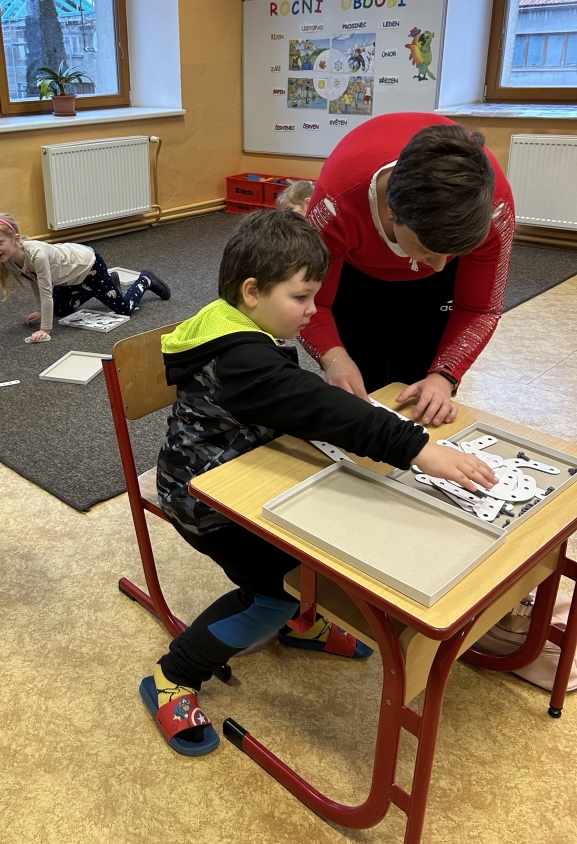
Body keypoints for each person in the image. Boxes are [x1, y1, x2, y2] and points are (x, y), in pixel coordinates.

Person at [142, 210, 497, 756]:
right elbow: (320, 405)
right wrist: (420, 449)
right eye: (302, 297)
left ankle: (300, 620)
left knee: (325, 545)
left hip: (247, 475)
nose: (313, 311)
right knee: (272, 595)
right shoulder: (241, 359)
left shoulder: (241, 323)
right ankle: (174, 673)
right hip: (205, 504)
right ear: (252, 292)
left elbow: (299, 402)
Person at [300, 113, 514, 427]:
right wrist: (334, 359)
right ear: (392, 211)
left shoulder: (495, 211)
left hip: (432, 290)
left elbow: (480, 308)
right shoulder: (335, 206)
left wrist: (444, 376)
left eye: (452, 254)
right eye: (427, 251)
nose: (439, 266)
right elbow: (309, 301)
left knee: (420, 391)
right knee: (362, 385)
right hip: (357, 275)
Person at [0, 213, 171, 343]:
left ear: (15, 239)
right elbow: (34, 281)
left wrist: (45, 329)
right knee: (60, 310)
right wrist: (39, 311)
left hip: (88, 266)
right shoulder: (7, 261)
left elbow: (46, 293)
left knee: (124, 310)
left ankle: (145, 280)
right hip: (66, 277)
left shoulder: (37, 255)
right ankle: (107, 284)